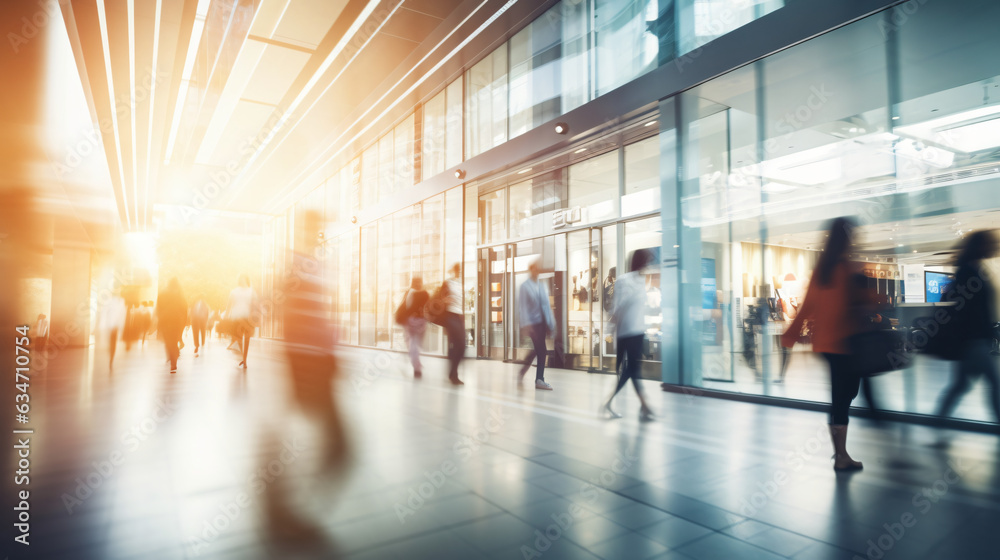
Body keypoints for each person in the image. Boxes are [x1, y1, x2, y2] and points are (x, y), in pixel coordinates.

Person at [265, 209, 351, 542]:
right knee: (336, 444)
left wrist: (331, 352)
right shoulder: (294, 265)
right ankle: (287, 511)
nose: (320, 234)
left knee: (335, 444)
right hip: (304, 360)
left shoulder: (315, 265)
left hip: (318, 360)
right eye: (316, 228)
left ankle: (287, 509)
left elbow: (319, 314)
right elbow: (288, 313)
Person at [781, 217, 865, 472]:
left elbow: (808, 306)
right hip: (845, 344)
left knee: (845, 395)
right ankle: (840, 456)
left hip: (828, 345)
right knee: (843, 397)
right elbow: (862, 302)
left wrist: (790, 336)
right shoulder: (846, 268)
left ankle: (840, 453)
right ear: (847, 238)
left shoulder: (824, 270)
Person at [935, 231, 1000, 427]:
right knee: (993, 384)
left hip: (974, 339)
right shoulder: (968, 272)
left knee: (961, 385)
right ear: (980, 246)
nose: (994, 246)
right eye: (990, 243)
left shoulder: (972, 269)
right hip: (973, 339)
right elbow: (966, 308)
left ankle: (938, 420)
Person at [604, 249, 655, 420]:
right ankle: (644, 406)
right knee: (631, 370)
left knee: (631, 371)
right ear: (640, 262)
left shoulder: (641, 281)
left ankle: (642, 406)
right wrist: (609, 330)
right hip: (627, 333)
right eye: (647, 262)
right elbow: (617, 307)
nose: (648, 266)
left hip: (638, 332)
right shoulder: (624, 281)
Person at [517, 260, 555, 390]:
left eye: (538, 270)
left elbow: (546, 306)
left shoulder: (541, 285)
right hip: (532, 324)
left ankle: (523, 371)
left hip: (542, 322)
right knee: (541, 350)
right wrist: (526, 326)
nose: (537, 272)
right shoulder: (525, 286)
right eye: (535, 269)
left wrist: (550, 323)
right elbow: (523, 308)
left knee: (537, 350)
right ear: (531, 270)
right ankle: (539, 380)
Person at [156, 278, 187, 374]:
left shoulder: (163, 294)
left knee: (168, 340)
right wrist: (184, 322)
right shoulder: (180, 295)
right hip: (177, 320)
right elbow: (184, 309)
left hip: (165, 320)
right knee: (174, 340)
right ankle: (174, 362)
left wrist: (160, 318)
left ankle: (171, 355)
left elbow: (158, 307)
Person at [227, 274, 258, 368]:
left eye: (243, 279)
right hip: (236, 317)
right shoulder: (234, 291)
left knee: (247, 338)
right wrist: (226, 317)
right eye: (240, 279)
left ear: (246, 280)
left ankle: (245, 359)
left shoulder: (251, 291)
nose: (241, 280)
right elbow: (229, 305)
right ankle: (243, 358)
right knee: (239, 338)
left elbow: (256, 304)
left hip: (248, 317)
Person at [401, 277, 429, 378]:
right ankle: (416, 367)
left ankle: (416, 364)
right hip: (416, 321)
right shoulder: (417, 293)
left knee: (413, 343)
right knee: (414, 343)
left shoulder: (409, 292)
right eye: (420, 283)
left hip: (412, 320)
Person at [444, 263, 465, 385]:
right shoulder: (448, 283)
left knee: (461, 347)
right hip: (450, 316)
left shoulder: (459, 284)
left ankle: (453, 373)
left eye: (461, 270)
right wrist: (446, 300)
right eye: (459, 269)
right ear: (454, 270)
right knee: (459, 345)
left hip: (458, 316)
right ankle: (454, 375)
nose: (460, 271)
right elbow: (440, 299)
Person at [102, 292, 126, 368]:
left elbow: (105, 314)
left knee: (111, 342)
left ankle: (111, 356)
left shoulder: (117, 302)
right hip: (113, 326)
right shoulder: (120, 303)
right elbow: (122, 316)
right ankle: (111, 356)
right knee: (112, 342)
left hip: (112, 326)